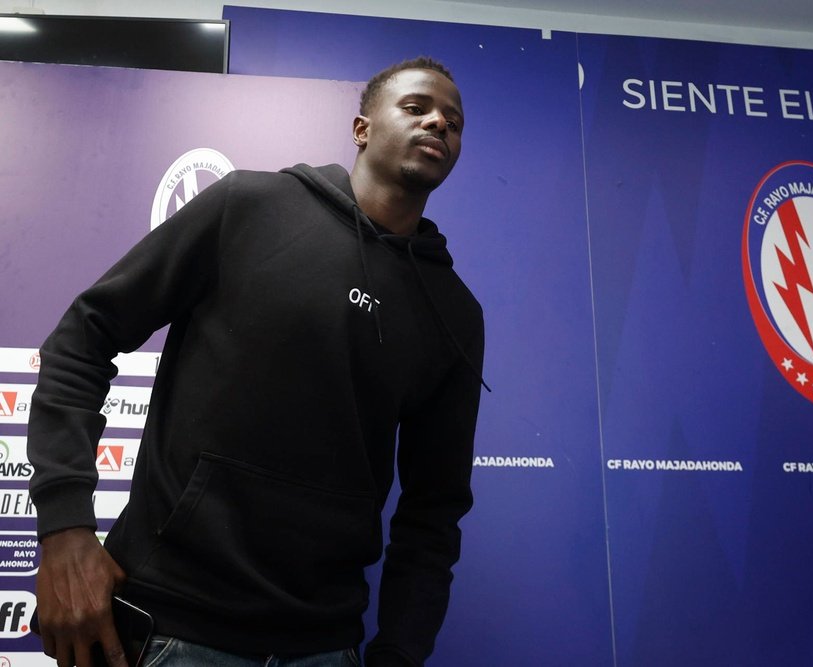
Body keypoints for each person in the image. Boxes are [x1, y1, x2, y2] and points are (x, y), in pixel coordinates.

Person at [28, 56, 486, 667]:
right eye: (416, 107)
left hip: (324, 644)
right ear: (361, 129)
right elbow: (84, 339)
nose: (437, 122)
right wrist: (64, 527)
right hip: (170, 625)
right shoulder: (249, 206)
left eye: (452, 121)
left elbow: (434, 509)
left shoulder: (453, 311)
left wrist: (399, 652)